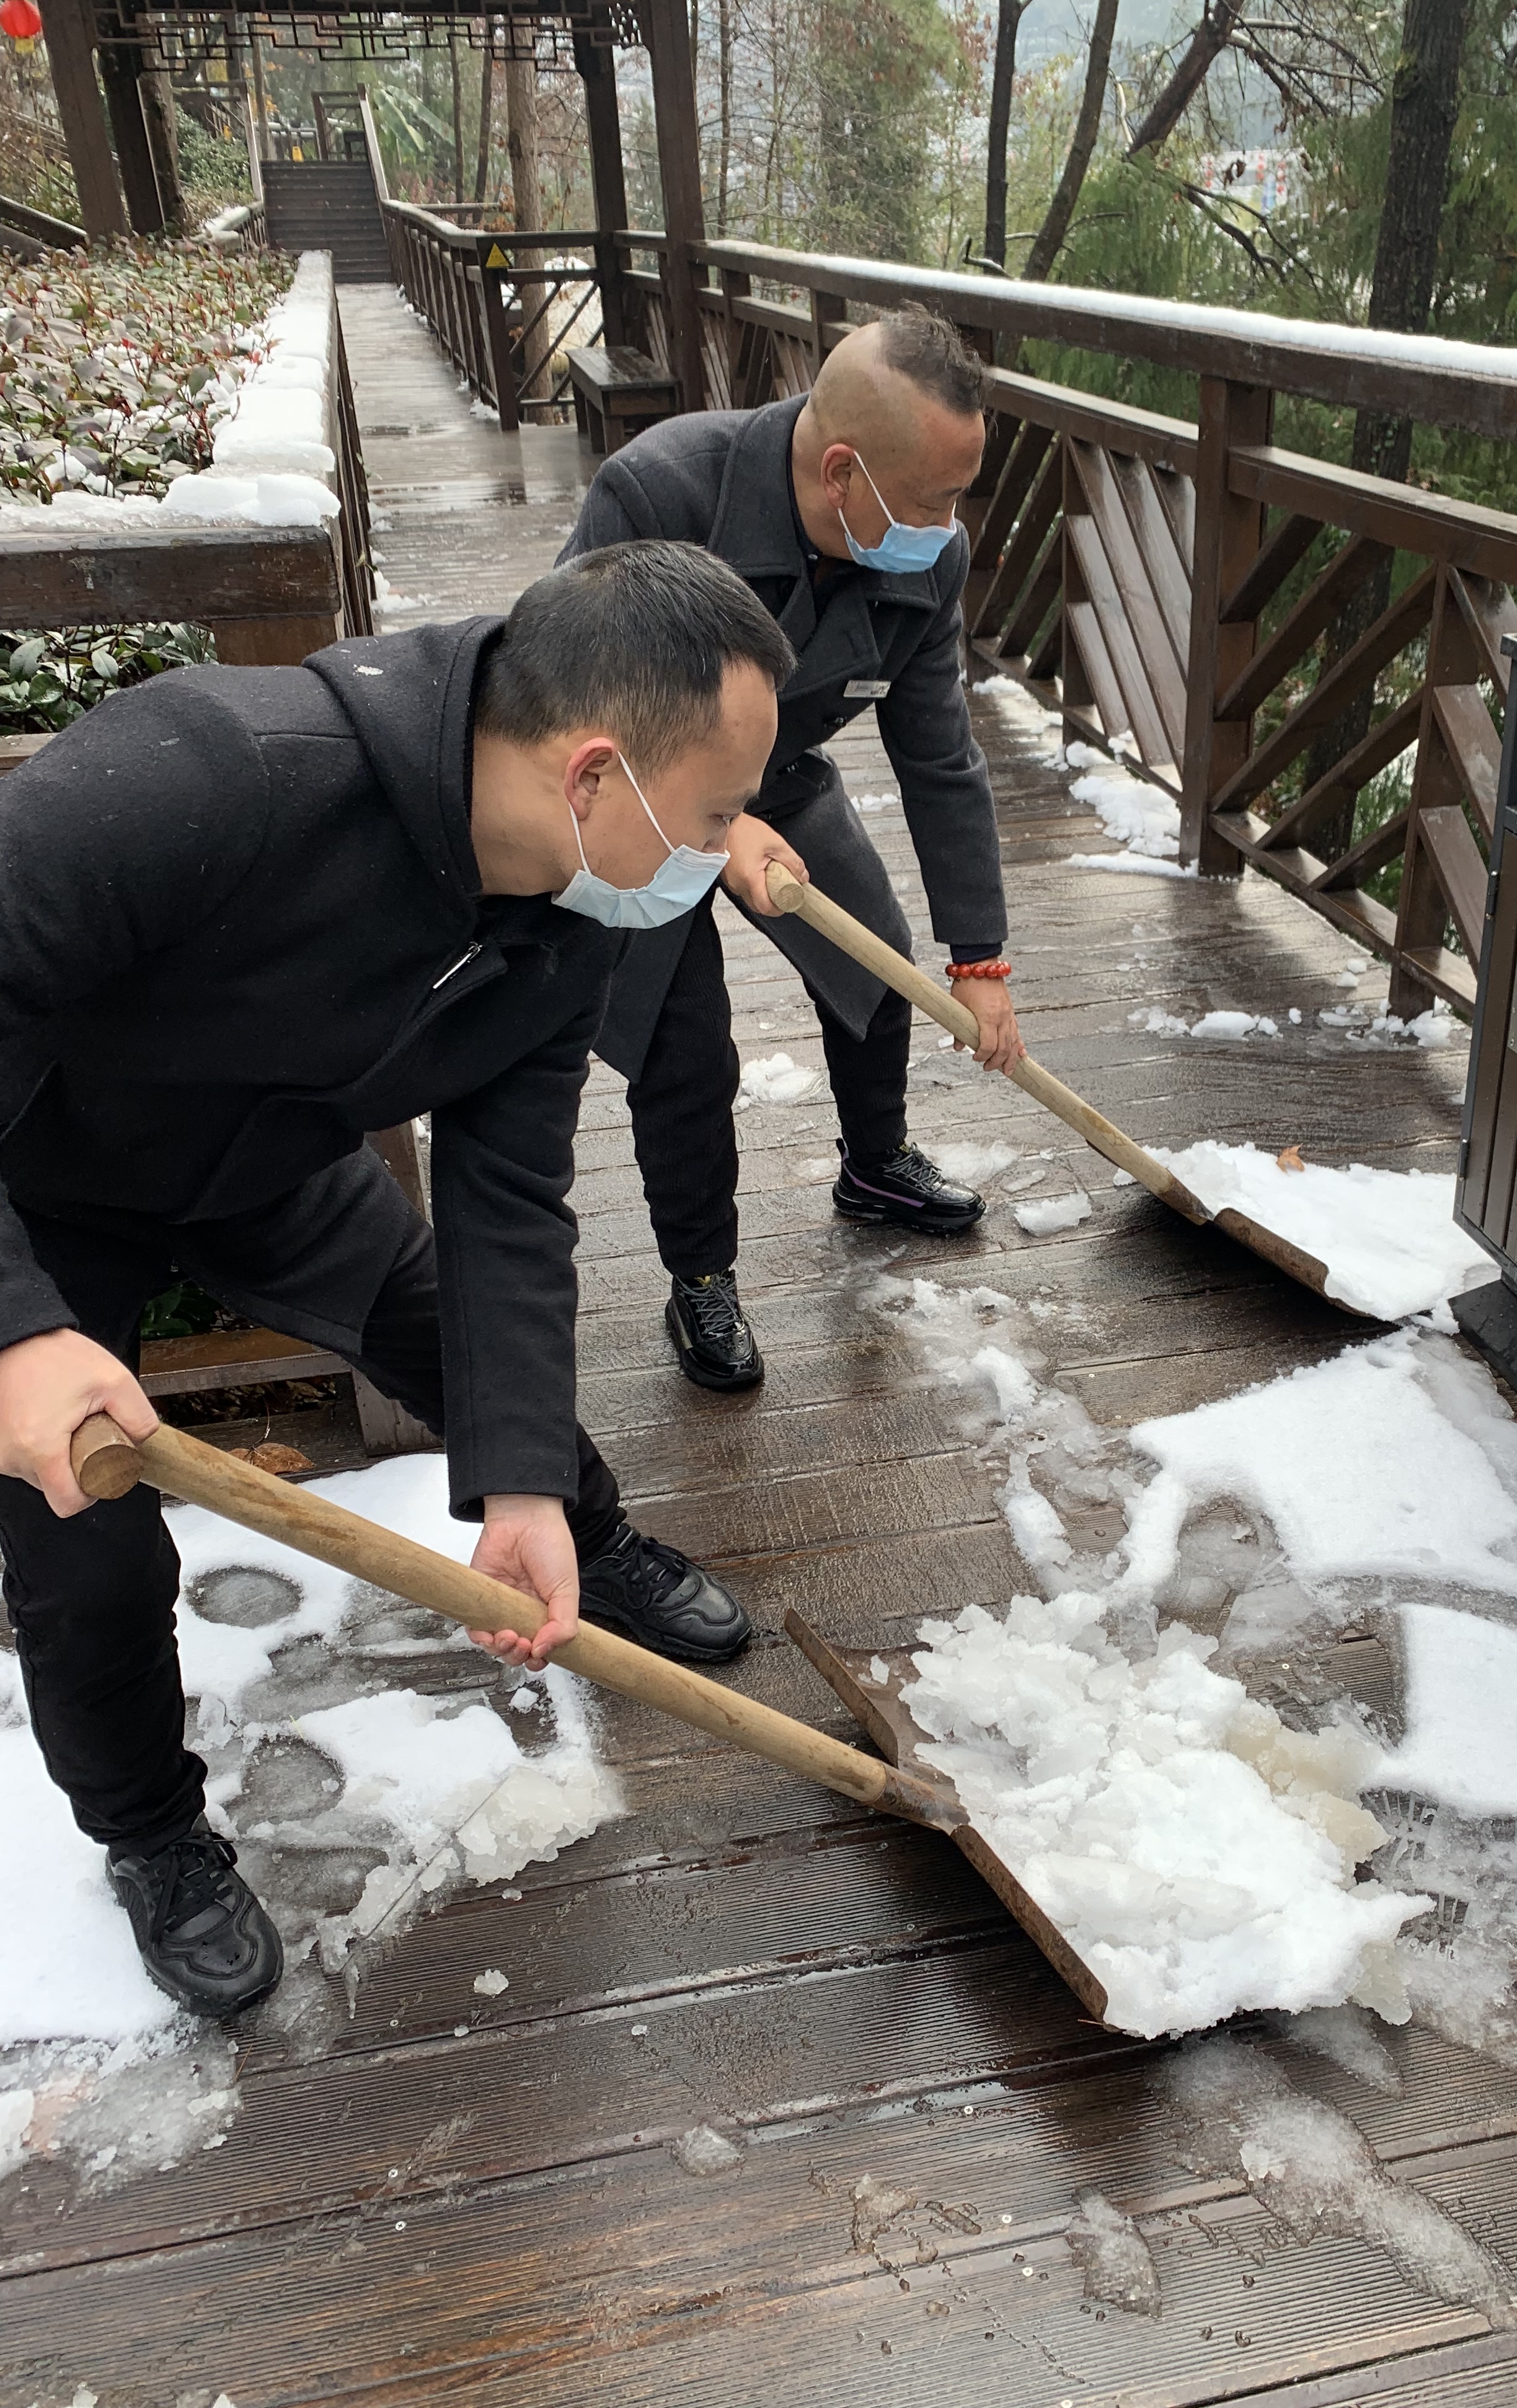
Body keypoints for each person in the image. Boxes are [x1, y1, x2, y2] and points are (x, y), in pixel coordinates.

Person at [0, 540, 794, 2017]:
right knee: (80, 1540)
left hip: (269, 1167)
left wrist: (524, 1488)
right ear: (597, 772)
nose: (724, 851)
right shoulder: (219, 767)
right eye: (718, 812)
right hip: (40, 1185)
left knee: (470, 1347)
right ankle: (153, 1833)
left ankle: (586, 1536)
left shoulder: (570, 911)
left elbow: (508, 1197)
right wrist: (17, 1331)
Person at [559, 306, 1026, 1394]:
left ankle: (875, 1165)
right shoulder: (661, 492)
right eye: (934, 498)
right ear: (843, 471)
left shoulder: (926, 558)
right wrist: (706, 825)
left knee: (880, 952)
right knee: (685, 1043)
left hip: (781, 772)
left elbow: (940, 754)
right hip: (637, 790)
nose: (951, 524)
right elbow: (559, 690)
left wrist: (983, 957)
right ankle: (702, 1276)